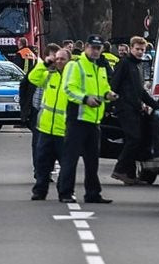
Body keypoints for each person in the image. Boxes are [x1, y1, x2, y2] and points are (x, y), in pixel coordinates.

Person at [58, 34, 118, 204]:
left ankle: (92, 193)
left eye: (98, 48)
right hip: (77, 119)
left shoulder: (100, 68)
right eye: (92, 47)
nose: (95, 51)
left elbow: (103, 88)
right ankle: (65, 192)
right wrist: (85, 99)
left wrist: (108, 95)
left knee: (92, 161)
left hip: (94, 121)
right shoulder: (75, 65)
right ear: (85, 47)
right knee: (71, 158)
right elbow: (68, 89)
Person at [110, 36, 159, 185]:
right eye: (137, 49)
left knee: (133, 139)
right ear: (130, 48)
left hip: (134, 108)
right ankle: (119, 170)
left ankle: (130, 175)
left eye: (142, 50)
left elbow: (140, 92)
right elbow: (114, 84)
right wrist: (111, 104)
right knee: (134, 138)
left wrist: (156, 106)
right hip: (125, 108)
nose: (140, 52)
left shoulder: (136, 66)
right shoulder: (125, 64)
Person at [28, 48, 71, 200]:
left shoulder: (72, 78)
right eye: (57, 58)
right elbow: (33, 78)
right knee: (42, 163)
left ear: (68, 61)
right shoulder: (49, 75)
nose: (58, 61)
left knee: (66, 165)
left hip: (63, 129)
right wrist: (45, 64)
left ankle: (65, 193)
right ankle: (40, 191)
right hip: (45, 127)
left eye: (62, 59)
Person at [22, 43, 59, 182]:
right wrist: (25, 110)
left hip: (53, 116)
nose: (55, 60)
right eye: (52, 56)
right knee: (38, 144)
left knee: (51, 147)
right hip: (37, 113)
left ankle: (46, 171)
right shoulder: (38, 70)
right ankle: (39, 171)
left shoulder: (59, 73)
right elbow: (25, 86)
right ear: (46, 57)